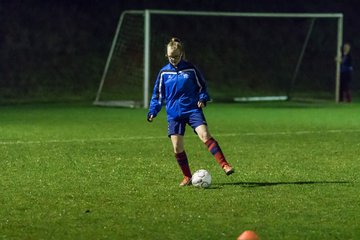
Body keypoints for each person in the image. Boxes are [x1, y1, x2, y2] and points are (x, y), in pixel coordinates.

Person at [147, 37, 234, 186]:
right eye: (169, 57)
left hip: (192, 109)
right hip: (174, 114)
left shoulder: (191, 69)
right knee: (177, 147)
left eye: (175, 56)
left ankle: (225, 165)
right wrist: (153, 111)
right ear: (166, 55)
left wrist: (202, 98)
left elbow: (202, 87)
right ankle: (187, 176)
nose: (172, 59)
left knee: (205, 135)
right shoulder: (163, 73)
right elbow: (158, 95)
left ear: (181, 54)